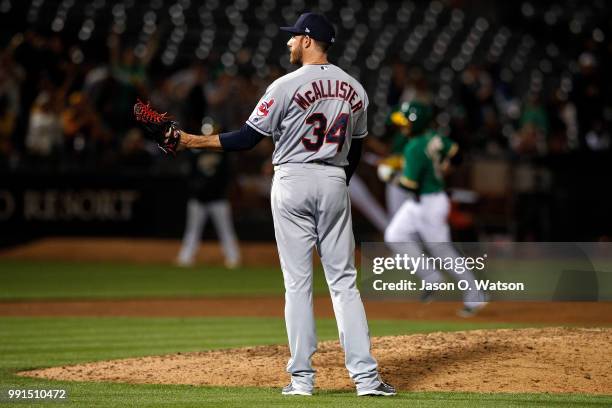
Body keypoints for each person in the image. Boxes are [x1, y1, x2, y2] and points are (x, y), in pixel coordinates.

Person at [175, 12, 395, 397]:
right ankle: (365, 379)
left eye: (294, 37)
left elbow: (246, 139)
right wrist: (338, 181)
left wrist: (190, 141)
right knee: (344, 283)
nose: (289, 43)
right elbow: (355, 149)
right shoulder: (356, 89)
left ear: (309, 40)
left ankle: (302, 380)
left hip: (292, 178)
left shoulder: (284, 85)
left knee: (297, 285)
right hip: (333, 178)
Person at [381, 101, 488, 317]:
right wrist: (443, 169)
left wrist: (389, 176)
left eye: (405, 122)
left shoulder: (413, 147)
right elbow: (457, 155)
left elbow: (409, 184)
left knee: (443, 251)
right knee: (394, 235)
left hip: (430, 203)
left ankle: (476, 296)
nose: (402, 126)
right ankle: (430, 276)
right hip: (421, 202)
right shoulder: (435, 137)